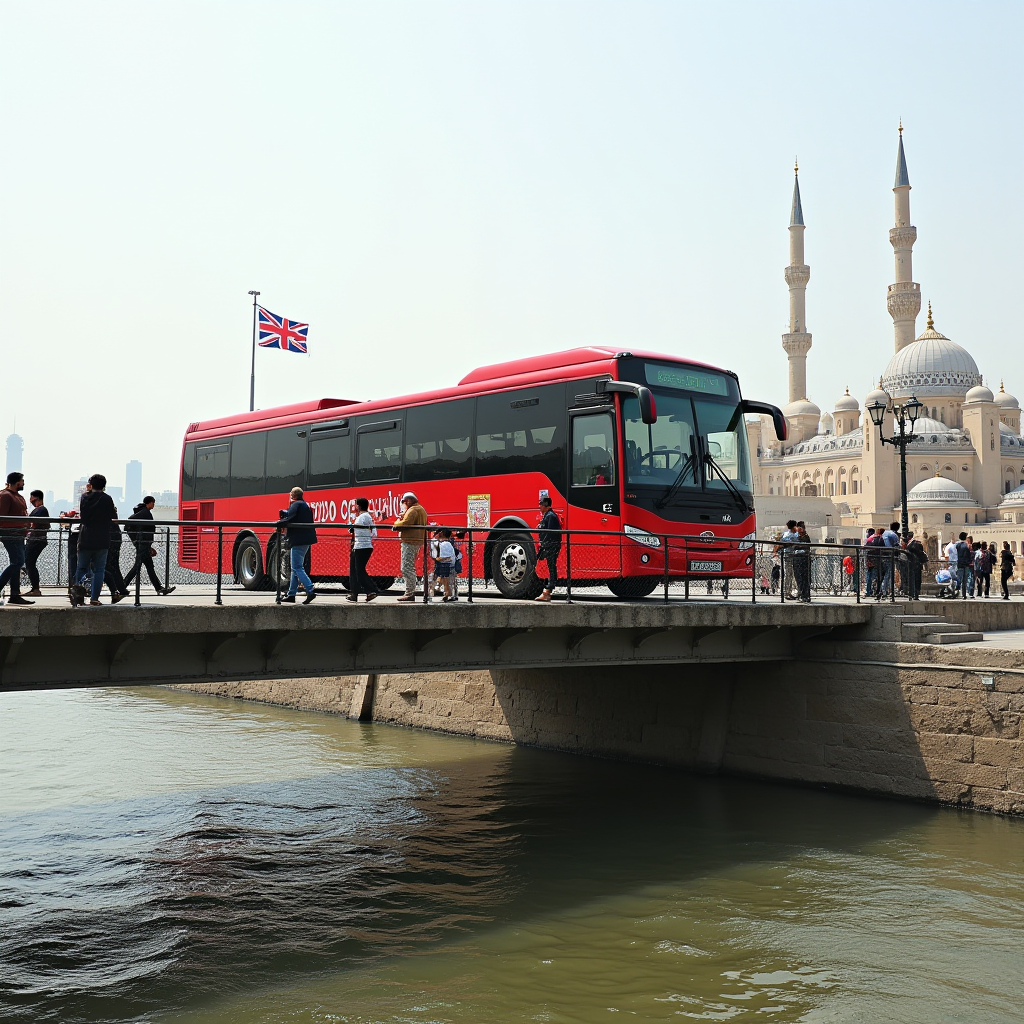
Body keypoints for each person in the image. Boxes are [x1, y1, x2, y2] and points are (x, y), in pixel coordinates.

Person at [73, 474, 118, 607]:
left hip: (85, 537)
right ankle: (94, 598)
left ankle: (78, 596)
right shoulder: (107, 499)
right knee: (99, 570)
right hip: (102, 538)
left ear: (90, 485)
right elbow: (113, 516)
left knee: (81, 568)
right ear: (104, 486)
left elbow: (83, 517)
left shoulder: (84, 497)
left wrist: (87, 492)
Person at [124, 497, 175, 596]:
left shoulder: (143, 512)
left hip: (144, 544)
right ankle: (122, 586)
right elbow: (129, 523)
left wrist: (138, 541)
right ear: (150, 503)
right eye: (153, 503)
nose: (154, 505)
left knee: (148, 567)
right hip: (143, 544)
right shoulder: (145, 513)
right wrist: (139, 541)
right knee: (137, 567)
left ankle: (159, 588)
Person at [277, 486, 317, 604]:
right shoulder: (305, 505)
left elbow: (290, 518)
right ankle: (291, 594)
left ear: (292, 495)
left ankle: (310, 590)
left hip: (298, 540)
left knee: (297, 567)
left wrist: (278, 523)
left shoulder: (295, 505)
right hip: (306, 539)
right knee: (295, 568)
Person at [0, 471, 32, 605]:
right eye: (22, 481)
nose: (23, 483)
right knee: (18, 562)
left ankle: (14, 594)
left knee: (17, 562)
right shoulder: (5, 496)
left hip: (19, 534)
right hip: (10, 534)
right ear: (17, 482)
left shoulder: (18, 496)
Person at [394, 492, 428, 602]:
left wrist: (397, 521)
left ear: (408, 501)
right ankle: (410, 592)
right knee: (409, 566)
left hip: (410, 541)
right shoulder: (420, 509)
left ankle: (409, 593)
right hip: (416, 540)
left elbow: (405, 524)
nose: (403, 504)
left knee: (406, 567)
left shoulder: (413, 510)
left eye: (404, 502)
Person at [347, 497, 377, 603]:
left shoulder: (361, 518)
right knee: (356, 570)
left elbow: (354, 529)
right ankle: (355, 593)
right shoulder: (368, 517)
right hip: (364, 546)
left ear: (358, 506)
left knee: (357, 571)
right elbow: (374, 533)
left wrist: (351, 526)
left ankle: (371, 590)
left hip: (360, 546)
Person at [534, 495, 562, 602]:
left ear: (546, 505)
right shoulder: (549, 515)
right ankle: (548, 588)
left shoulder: (550, 516)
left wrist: (544, 545)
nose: (539, 506)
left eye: (541, 504)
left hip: (550, 546)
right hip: (550, 545)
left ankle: (548, 589)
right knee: (551, 566)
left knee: (551, 566)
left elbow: (549, 533)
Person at [22, 489, 49, 598]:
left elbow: (33, 523)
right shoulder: (40, 510)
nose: (30, 500)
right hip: (35, 540)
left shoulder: (40, 510)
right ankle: (35, 588)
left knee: (29, 563)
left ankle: (35, 589)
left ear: (35, 497)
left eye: (31, 497)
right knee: (29, 562)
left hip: (36, 540)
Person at [103, 517, 130, 603]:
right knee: (114, 567)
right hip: (114, 543)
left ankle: (116, 591)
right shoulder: (114, 525)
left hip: (109, 543)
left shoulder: (107, 523)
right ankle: (120, 590)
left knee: (106, 568)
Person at [434, 528, 457, 602]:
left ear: (442, 534)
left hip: (445, 565)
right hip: (450, 565)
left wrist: (436, 559)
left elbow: (445, 557)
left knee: (445, 579)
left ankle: (441, 588)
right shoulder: (449, 544)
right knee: (447, 580)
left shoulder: (444, 544)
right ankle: (447, 593)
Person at [880, 521, 901, 599]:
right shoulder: (894, 535)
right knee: (889, 574)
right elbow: (897, 546)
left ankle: (885, 590)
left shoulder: (885, 533)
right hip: (890, 556)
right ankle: (886, 591)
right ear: (898, 528)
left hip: (882, 556)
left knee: (884, 574)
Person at [864, 528, 886, 599]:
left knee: (869, 575)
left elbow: (865, 548)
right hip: (877, 559)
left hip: (869, 559)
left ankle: (868, 591)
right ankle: (876, 591)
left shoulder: (870, 539)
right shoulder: (880, 539)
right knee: (876, 576)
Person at [780, 520, 799, 598]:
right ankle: (789, 592)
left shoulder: (784, 535)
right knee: (793, 575)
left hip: (785, 556)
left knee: (787, 575)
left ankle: (786, 591)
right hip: (793, 556)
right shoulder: (795, 536)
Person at [793, 522, 811, 602]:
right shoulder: (796, 537)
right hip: (797, 559)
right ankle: (801, 594)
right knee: (799, 578)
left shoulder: (806, 537)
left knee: (805, 578)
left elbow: (807, 547)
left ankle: (805, 595)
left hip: (804, 559)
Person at [906, 532, 927, 599]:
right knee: (917, 579)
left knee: (913, 579)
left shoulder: (912, 545)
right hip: (917, 564)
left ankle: (913, 594)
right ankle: (915, 594)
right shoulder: (917, 544)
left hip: (913, 564)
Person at [953, 533, 972, 599]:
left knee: (959, 579)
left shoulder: (957, 545)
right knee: (965, 580)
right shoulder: (965, 546)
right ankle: (964, 594)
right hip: (965, 565)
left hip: (959, 564)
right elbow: (968, 555)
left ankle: (955, 592)